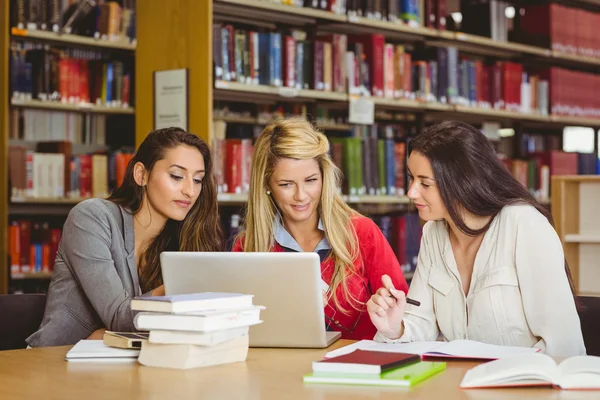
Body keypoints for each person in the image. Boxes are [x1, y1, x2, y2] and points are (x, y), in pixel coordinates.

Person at [367, 120, 586, 357]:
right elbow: (422, 325)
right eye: (411, 178)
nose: (411, 192)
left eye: (425, 183)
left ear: (462, 181)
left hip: (524, 387)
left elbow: (564, 344)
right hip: (456, 386)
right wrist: (395, 328)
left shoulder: (523, 224)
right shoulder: (433, 234)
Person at [27, 127, 223, 347]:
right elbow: (120, 318)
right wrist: (180, 284)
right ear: (141, 175)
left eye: (198, 180)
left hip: (128, 366)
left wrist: (106, 335)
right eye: (177, 176)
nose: (190, 191)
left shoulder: (182, 239)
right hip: (52, 364)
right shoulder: (91, 217)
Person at [232, 117, 409, 340]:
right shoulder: (248, 247)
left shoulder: (362, 233)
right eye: (286, 184)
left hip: (355, 370)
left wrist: (391, 316)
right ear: (267, 184)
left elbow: (407, 317)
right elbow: (237, 331)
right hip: (279, 370)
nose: (301, 195)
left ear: (324, 177)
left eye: (310, 180)